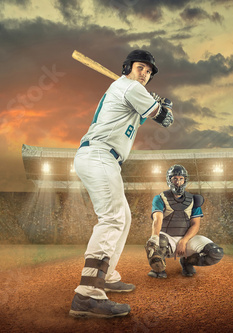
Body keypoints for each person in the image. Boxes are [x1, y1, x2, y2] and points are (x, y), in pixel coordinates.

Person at [69, 50, 174, 318]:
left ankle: (109, 275)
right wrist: (163, 108)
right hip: (100, 154)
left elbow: (142, 114)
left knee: (123, 217)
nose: (145, 74)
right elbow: (159, 116)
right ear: (128, 68)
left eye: (149, 72)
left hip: (103, 158)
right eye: (141, 68)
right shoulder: (128, 85)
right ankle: (87, 294)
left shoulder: (128, 90)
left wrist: (156, 106)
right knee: (113, 218)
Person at [145, 165, 224, 279]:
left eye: (181, 178)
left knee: (215, 252)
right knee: (158, 242)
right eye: (175, 179)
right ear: (169, 180)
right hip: (168, 238)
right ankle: (158, 269)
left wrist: (184, 241)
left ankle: (187, 262)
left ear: (185, 180)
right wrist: (154, 238)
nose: (178, 182)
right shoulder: (160, 198)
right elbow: (158, 219)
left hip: (188, 239)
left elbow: (195, 224)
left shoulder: (193, 199)